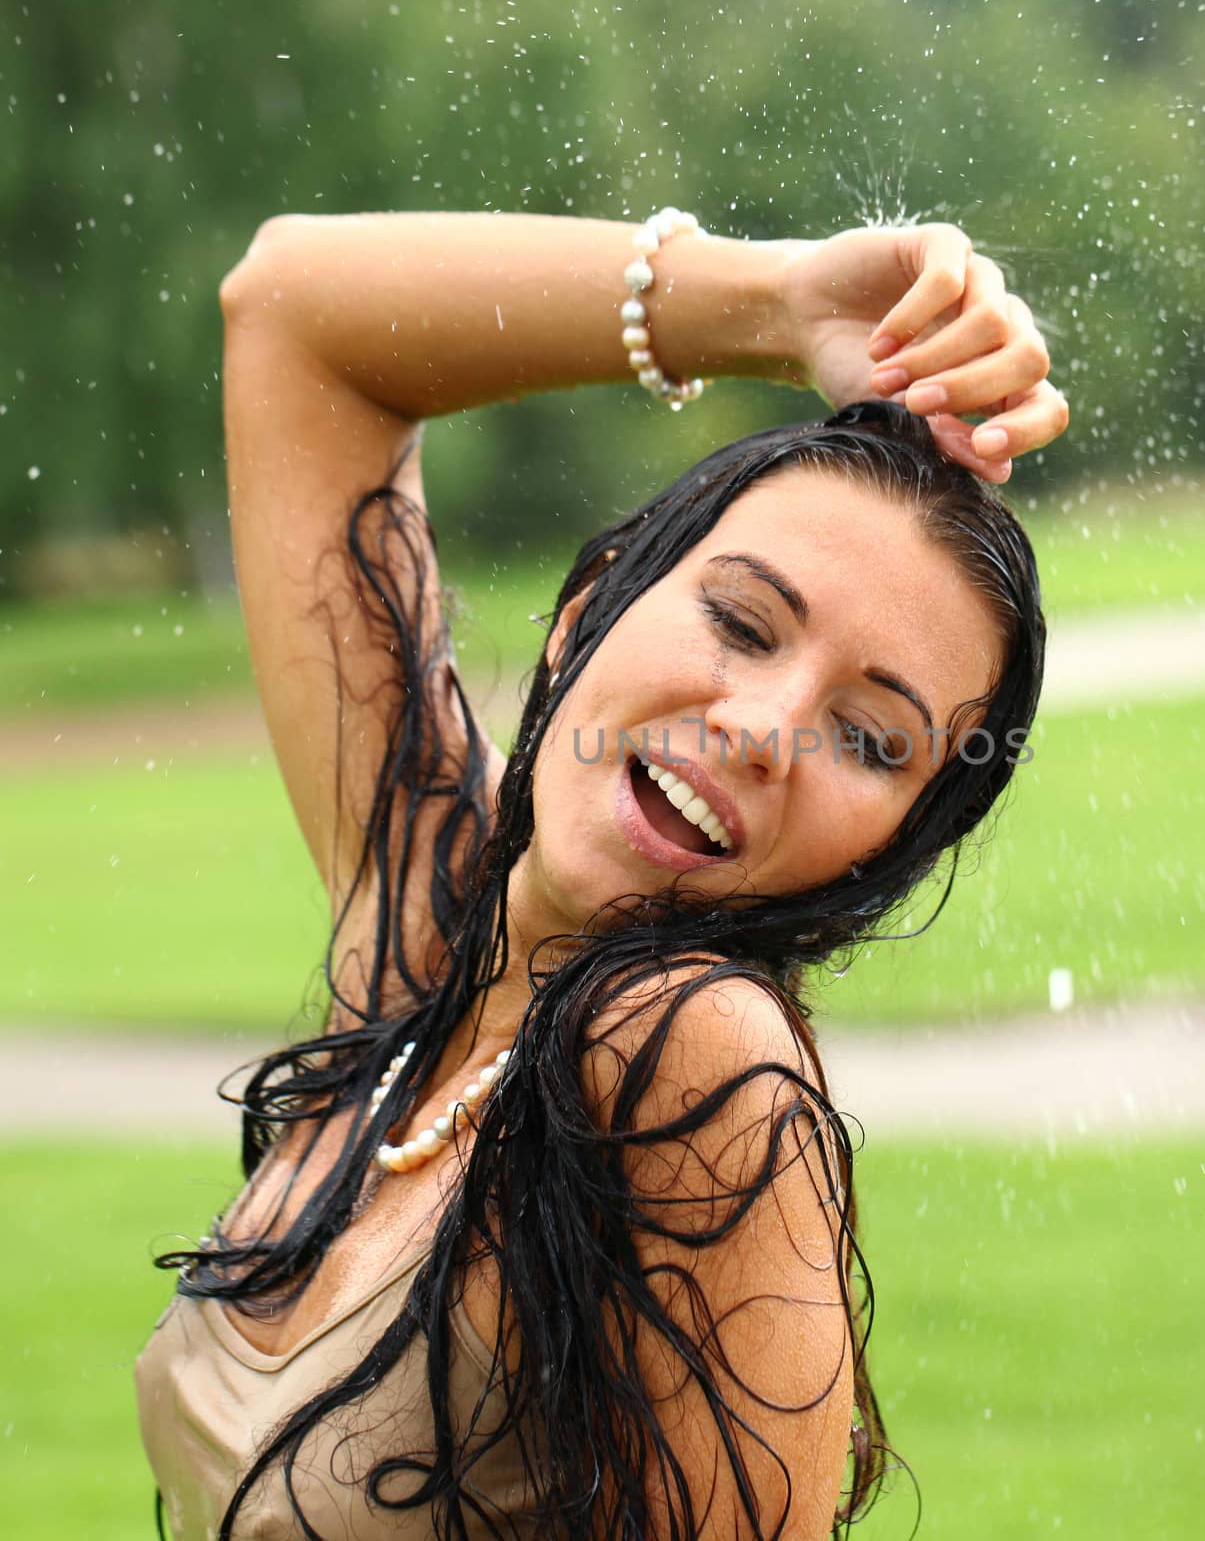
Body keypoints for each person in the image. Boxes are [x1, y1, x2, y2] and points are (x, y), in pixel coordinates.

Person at [134, 208, 1068, 1540]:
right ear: (592, 607)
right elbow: (291, 314)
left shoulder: (687, 1053)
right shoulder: (429, 935)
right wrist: (778, 299)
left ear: (889, 855)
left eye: (868, 737)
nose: (759, 729)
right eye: (741, 621)